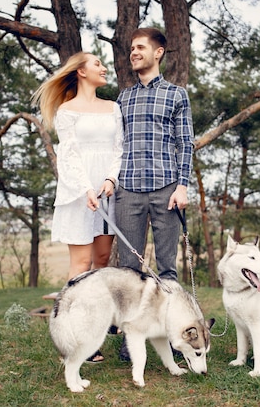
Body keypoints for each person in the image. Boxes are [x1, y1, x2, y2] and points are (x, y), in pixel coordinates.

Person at [32, 52, 123, 363]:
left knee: (101, 263)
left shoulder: (113, 108)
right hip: (78, 194)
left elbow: (118, 148)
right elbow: (68, 157)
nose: (103, 67)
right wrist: (86, 188)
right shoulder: (67, 111)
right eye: (97, 63)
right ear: (81, 72)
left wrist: (110, 179)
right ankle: (70, 338)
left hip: (107, 192)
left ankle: (94, 329)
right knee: (80, 265)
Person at [115, 28, 194, 362]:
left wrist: (183, 185)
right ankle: (130, 339)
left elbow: (185, 142)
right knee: (129, 272)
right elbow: (114, 145)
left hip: (166, 190)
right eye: (132, 48)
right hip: (128, 191)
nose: (134, 52)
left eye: (141, 47)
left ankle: (171, 338)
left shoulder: (177, 95)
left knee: (167, 271)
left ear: (158, 52)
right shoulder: (122, 99)